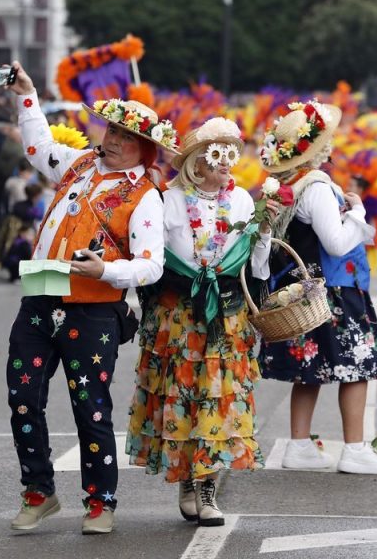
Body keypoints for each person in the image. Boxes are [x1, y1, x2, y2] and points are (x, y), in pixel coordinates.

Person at [3, 61, 172, 535]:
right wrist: (27, 96)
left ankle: (101, 502)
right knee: (21, 399)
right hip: (41, 290)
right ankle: (39, 492)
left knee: (90, 406)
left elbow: (151, 263)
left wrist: (107, 271)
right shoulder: (79, 163)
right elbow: (38, 147)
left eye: (125, 137)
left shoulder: (145, 196)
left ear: (144, 149)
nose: (113, 140)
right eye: (111, 131)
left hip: (94, 306)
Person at [126, 118, 274, 526]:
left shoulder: (243, 200)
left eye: (232, 153)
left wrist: (262, 231)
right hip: (177, 320)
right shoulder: (166, 201)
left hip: (224, 318)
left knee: (217, 399)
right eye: (218, 154)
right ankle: (186, 480)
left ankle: (207, 487)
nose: (228, 162)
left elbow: (255, 267)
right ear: (195, 163)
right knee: (183, 399)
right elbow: (152, 256)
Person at [258, 99, 377, 474]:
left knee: (310, 369)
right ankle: (354, 448)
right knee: (358, 368)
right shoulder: (316, 186)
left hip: (302, 290)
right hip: (333, 290)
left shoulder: (288, 185)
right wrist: (358, 214)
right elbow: (336, 243)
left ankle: (299, 445)